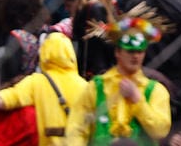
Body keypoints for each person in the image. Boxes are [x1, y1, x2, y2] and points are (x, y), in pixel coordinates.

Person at [63, 17, 172, 146]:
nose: (135, 56)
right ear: (117, 52)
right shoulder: (97, 86)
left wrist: (138, 100)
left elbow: (160, 131)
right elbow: (76, 128)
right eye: (130, 51)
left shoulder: (156, 90)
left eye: (140, 51)